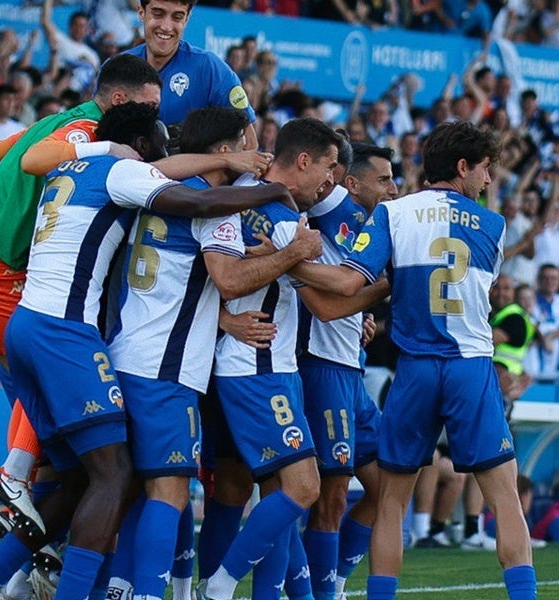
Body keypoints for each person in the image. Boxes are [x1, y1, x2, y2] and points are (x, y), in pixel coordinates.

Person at [0, 102, 302, 600]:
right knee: (153, 486)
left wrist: (221, 313)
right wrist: (273, 198)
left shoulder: (81, 169)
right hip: (135, 357)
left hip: (50, 331)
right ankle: (131, 592)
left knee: (79, 483)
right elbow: (221, 264)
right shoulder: (155, 186)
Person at [291, 121, 537, 600]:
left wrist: (289, 259)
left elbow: (345, 284)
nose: (488, 181)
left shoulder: (392, 213)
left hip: (415, 368)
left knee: (391, 504)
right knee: (505, 498)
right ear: (463, 167)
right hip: (469, 366)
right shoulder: (494, 225)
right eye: (485, 170)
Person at [102, 107, 324, 600]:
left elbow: (185, 275)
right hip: (169, 366)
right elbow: (224, 277)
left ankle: (119, 587)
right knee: (171, 489)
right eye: (248, 142)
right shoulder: (213, 205)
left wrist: (228, 307)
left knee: (132, 486)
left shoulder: (153, 192)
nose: (258, 154)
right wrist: (294, 253)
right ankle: (182, 590)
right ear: (225, 151)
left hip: (124, 354)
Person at [0, 54, 164, 537]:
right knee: (46, 361)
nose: (154, 120)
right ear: (120, 101)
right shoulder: (86, 128)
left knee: (25, 377)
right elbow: (32, 159)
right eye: (148, 108)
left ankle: (26, 496)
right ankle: (15, 476)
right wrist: (105, 147)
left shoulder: (53, 120)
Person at [197, 119, 383, 600]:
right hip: (257, 368)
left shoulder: (251, 195)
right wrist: (388, 284)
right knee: (302, 488)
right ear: (303, 161)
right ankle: (216, 587)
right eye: (327, 167)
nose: (331, 180)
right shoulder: (275, 212)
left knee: (271, 490)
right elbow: (327, 296)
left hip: (271, 364)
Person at [292, 139, 397, 599]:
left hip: (352, 369)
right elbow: (333, 298)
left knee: (385, 487)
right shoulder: (333, 210)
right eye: (385, 180)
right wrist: (373, 295)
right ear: (350, 183)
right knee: (331, 495)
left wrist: (361, 310)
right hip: (322, 367)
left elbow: (349, 288)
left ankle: (331, 581)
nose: (395, 189)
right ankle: (320, 591)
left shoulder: (369, 229)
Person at [122, 0, 258, 148]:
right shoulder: (117, 69)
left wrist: (199, 163)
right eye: (158, 14)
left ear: (186, 19)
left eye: (177, 17)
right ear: (141, 13)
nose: (166, 27)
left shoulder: (210, 68)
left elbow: (249, 146)